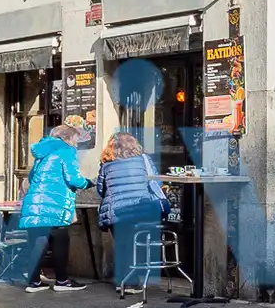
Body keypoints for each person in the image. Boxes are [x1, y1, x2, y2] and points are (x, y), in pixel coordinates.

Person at [19, 124, 91, 291]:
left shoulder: (42, 153)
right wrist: (88, 183)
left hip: (35, 203)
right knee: (61, 240)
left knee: (38, 243)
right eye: (75, 139)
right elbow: (73, 179)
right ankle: (62, 281)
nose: (77, 143)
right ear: (67, 138)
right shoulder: (66, 151)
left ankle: (34, 282)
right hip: (54, 204)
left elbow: (31, 177)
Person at [96, 132, 167, 294]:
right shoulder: (143, 160)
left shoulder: (106, 164)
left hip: (116, 212)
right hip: (140, 209)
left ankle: (122, 282)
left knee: (122, 245)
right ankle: (133, 282)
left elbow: (101, 189)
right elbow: (156, 181)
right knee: (136, 245)